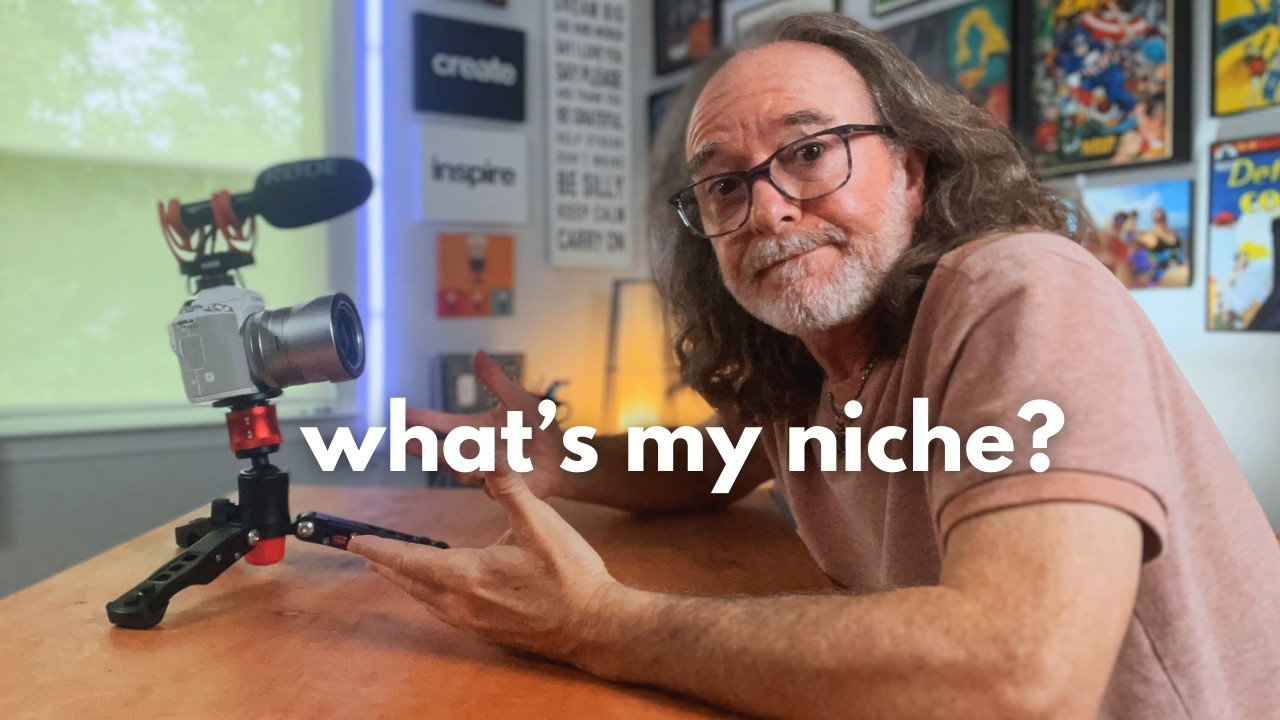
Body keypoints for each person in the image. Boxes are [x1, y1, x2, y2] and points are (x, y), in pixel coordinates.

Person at [349, 13, 1280, 719]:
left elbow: (1017, 674)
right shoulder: (807, 364)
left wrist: (599, 621)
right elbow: (706, 464)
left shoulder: (1021, 289)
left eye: (809, 152)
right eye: (724, 183)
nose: (768, 209)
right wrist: (563, 457)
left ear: (912, 169)